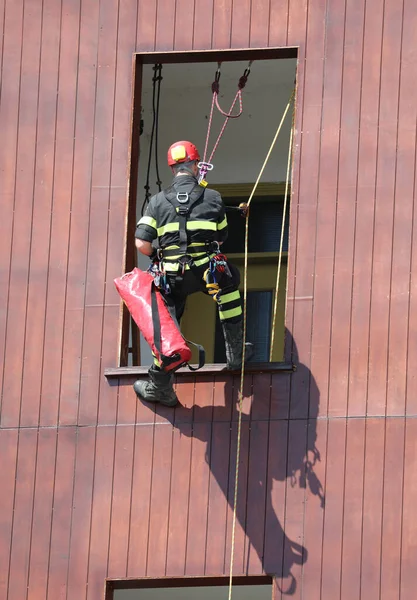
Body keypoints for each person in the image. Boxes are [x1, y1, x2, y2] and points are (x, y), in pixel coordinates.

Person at [133, 140, 252, 407]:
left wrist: (160, 256)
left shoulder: (156, 202)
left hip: (170, 277)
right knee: (229, 283)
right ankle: (235, 354)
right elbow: (220, 238)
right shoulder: (213, 198)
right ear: (197, 165)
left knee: (164, 322)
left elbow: (142, 244)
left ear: (173, 169)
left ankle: (160, 384)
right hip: (206, 272)